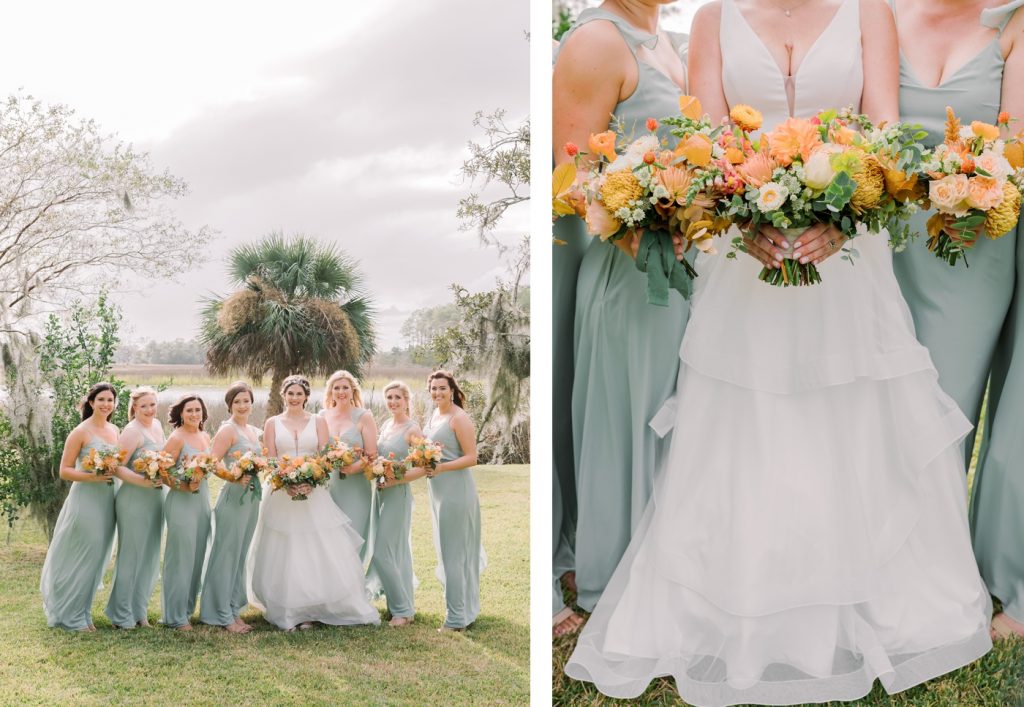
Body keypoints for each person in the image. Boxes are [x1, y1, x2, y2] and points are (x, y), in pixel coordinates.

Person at [565, 0, 993, 702]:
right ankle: (748, 599)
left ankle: (863, 597)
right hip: (743, 259)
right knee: (751, 419)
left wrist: (841, 218)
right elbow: (702, 146)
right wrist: (745, 218)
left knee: (848, 413)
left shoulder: (868, 14)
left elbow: (882, 132)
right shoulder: (712, 20)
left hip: (851, 257)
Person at [888, 0, 1024, 641]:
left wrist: (969, 189)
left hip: (972, 244)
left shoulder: (1013, 23)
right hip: (883, 245)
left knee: (944, 410)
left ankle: (934, 580)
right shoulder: (879, 12)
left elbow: (1015, 142)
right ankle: (869, 567)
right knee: (876, 410)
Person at [553, 0, 692, 617]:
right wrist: (637, 233)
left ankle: (676, 563)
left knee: (673, 413)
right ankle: (621, 571)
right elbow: (573, 172)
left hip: (682, 261)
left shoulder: (664, 39)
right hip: (630, 268)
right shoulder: (595, 42)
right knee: (630, 416)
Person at [248, 375, 379, 631]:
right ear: (283, 395)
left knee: (314, 549)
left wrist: (311, 480)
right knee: (285, 550)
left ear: (306, 396)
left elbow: (324, 457)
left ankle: (314, 608)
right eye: (290, 393)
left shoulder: (318, 421)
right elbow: (271, 460)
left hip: (314, 491)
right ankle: (288, 609)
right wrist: (286, 481)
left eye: (299, 394)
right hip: (281, 492)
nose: (294, 398)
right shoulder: (272, 423)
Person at [40, 382, 119, 631]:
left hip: (108, 500)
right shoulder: (81, 432)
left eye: (110, 400)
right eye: (102, 399)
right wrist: (93, 476)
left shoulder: (115, 429)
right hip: (86, 499)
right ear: (91, 402)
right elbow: (64, 471)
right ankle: (70, 615)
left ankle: (84, 614)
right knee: (84, 553)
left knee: (97, 557)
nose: (106, 404)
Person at [421, 370, 483, 631]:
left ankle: (456, 618)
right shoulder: (435, 414)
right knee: (446, 551)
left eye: (442, 388)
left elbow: (472, 457)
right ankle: (465, 609)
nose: (437, 393)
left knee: (454, 554)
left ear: (452, 389)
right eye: (433, 389)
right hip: (437, 492)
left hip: (456, 491)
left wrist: (442, 468)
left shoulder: (459, 418)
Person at [200, 381, 262, 633]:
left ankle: (233, 609)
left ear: (251, 403)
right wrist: (232, 476)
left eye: (246, 400)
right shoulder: (228, 430)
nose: (242, 405)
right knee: (226, 555)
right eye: (237, 401)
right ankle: (220, 614)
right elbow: (212, 462)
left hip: (251, 499)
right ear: (229, 405)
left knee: (239, 556)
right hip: (233, 499)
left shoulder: (251, 430)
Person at [105, 387, 165, 629]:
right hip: (133, 499)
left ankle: (139, 612)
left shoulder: (158, 425)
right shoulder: (131, 432)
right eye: (144, 406)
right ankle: (120, 614)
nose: (149, 410)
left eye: (152, 404)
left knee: (148, 556)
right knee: (131, 555)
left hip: (155, 498)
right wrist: (142, 480)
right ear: (135, 408)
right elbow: (115, 466)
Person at [370, 380, 428, 626]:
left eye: (397, 398)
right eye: (389, 398)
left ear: (407, 401)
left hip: (398, 495)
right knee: (399, 553)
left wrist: (395, 480)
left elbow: (426, 467)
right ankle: (404, 607)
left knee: (382, 551)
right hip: (381, 494)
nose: (393, 402)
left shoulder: (412, 429)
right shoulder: (386, 425)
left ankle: (402, 611)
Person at [160, 394, 212, 630]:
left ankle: (187, 609)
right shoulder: (177, 437)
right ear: (180, 413)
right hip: (181, 500)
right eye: (189, 410)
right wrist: (182, 484)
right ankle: (174, 616)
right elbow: (162, 472)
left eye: (197, 410)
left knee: (196, 556)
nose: (194, 414)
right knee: (181, 557)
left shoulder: (205, 435)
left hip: (201, 501)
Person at [321, 369, 378, 566]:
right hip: (328, 487)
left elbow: (372, 455)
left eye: (345, 387)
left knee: (352, 537)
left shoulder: (364, 416)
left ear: (353, 390)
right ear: (331, 392)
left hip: (355, 487)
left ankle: (353, 589)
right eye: (336, 388)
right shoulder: (321, 416)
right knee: (329, 541)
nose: (341, 391)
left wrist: (354, 467)